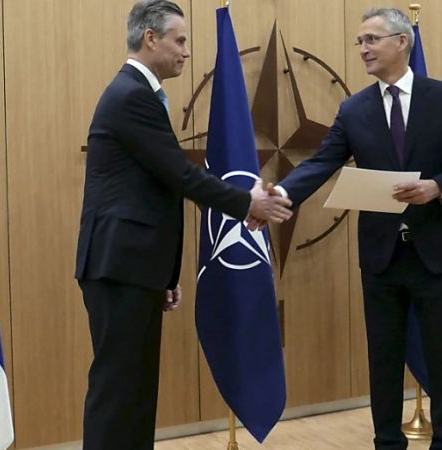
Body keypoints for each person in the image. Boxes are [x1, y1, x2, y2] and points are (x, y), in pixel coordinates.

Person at [262, 8, 442, 449]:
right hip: (382, 257)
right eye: (359, 42)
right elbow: (324, 161)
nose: (362, 49)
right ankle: (386, 441)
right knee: (383, 356)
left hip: (438, 252)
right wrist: (281, 195)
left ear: (402, 42)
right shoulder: (354, 108)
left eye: (371, 40)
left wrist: (438, 186)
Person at [73, 1, 292, 448]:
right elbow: (180, 174)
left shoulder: (137, 93)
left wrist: (164, 275)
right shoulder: (131, 95)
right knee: (118, 392)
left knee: (134, 391)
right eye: (180, 39)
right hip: (118, 266)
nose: (186, 51)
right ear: (150, 38)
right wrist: (246, 201)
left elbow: (158, 188)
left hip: (131, 268)